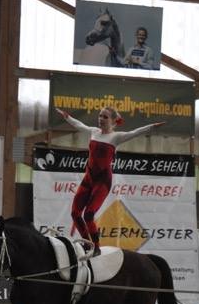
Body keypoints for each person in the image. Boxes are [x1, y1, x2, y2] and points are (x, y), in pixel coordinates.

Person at [56, 107, 165, 256]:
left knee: (88, 214)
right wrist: (67, 116)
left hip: (102, 182)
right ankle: (87, 244)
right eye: (100, 116)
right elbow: (79, 125)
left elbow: (135, 132)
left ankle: (96, 247)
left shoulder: (116, 137)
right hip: (89, 179)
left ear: (113, 121)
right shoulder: (94, 132)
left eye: (105, 117)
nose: (101, 119)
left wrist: (152, 126)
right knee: (75, 213)